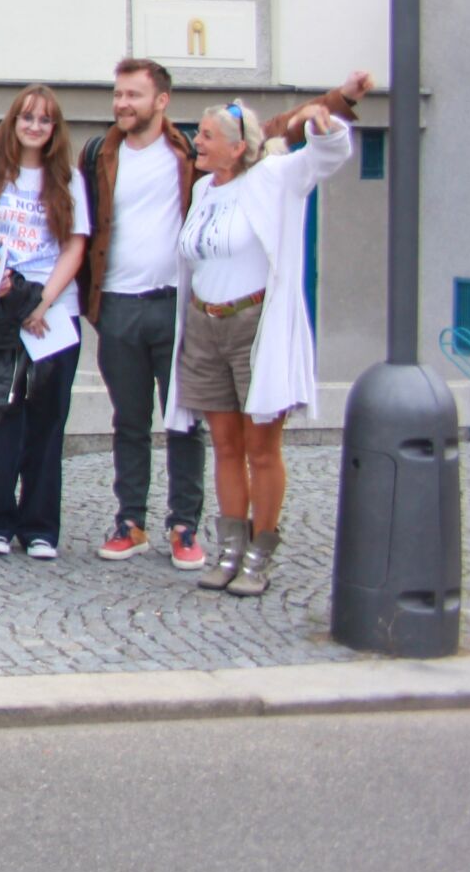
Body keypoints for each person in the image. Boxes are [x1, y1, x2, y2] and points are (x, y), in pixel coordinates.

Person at [82, 59, 366, 569]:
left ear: (161, 100)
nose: (122, 103)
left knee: (194, 428)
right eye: (118, 94)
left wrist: (336, 103)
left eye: (133, 94)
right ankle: (133, 523)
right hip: (128, 307)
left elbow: (275, 133)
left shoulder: (189, 154)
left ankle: (187, 527)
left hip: (186, 309)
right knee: (134, 422)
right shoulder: (102, 154)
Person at [174, 100, 353, 596]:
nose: (197, 142)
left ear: (237, 147)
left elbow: (325, 158)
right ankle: (230, 548)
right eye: (198, 133)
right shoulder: (203, 189)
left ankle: (259, 553)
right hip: (204, 325)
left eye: (207, 135)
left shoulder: (273, 176)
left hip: (253, 326)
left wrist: (325, 127)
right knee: (226, 446)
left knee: (261, 448)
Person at [0, 86, 88, 561]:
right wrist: (2, 287)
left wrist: (43, 302)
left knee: (46, 422)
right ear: (13, 121)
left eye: (44, 120)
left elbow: (75, 245)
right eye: (27, 117)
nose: (35, 126)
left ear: (55, 129)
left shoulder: (69, 179)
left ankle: (39, 526)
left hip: (53, 315)